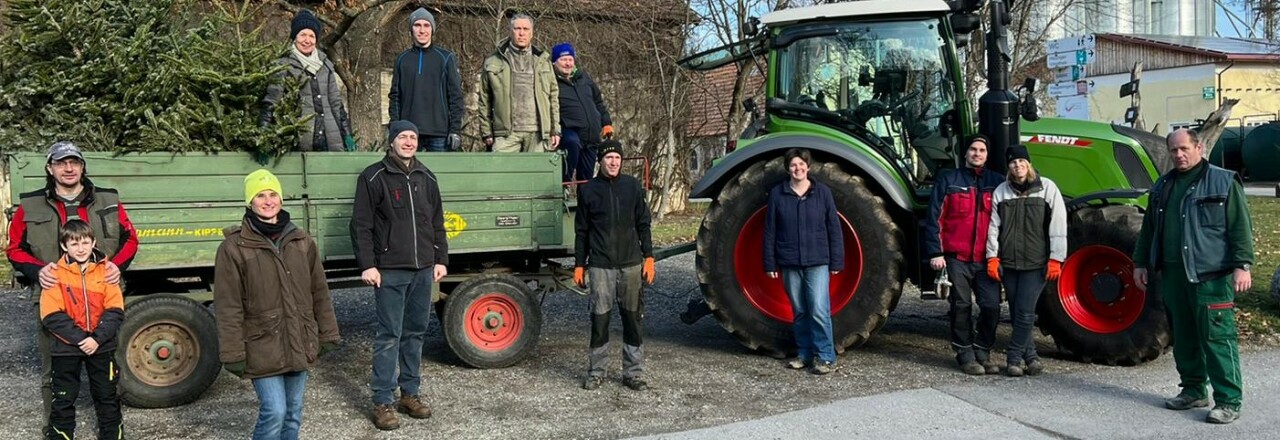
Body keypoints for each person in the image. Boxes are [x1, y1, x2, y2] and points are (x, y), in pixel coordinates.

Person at [6, 141, 138, 433]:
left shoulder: (108, 200)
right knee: (53, 374)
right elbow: (14, 248)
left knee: (105, 375)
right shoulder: (30, 205)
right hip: (53, 298)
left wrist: (117, 264)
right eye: (61, 163)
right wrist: (39, 270)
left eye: (74, 162)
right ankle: (55, 431)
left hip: (100, 296)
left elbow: (131, 239)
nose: (69, 168)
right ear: (50, 168)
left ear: (82, 167)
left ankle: (111, 431)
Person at [1133, 128, 1253, 425]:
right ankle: (1193, 390)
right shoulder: (1163, 185)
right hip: (1174, 274)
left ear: (1199, 147)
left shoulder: (1223, 181)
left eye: (1184, 148)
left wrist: (1243, 265)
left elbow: (1239, 226)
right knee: (1184, 337)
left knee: (1217, 337)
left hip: (1210, 275)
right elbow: (1149, 229)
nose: (1178, 155)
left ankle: (1228, 400)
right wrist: (1140, 263)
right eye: (1173, 150)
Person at [214, 169, 341, 440]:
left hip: (299, 337)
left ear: (281, 199)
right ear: (250, 202)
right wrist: (232, 353)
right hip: (262, 343)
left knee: (293, 412)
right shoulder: (234, 247)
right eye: (260, 195)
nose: (268, 200)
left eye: (273, 194)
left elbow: (319, 291)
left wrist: (328, 333)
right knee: (274, 412)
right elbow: (228, 306)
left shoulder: (301, 241)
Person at [350, 120, 449, 430]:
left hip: (423, 270)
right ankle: (382, 400)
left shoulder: (426, 176)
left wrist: (440, 259)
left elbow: (437, 223)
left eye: (413, 137)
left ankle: (410, 393)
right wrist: (368, 264)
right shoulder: (374, 177)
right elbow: (361, 225)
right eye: (402, 137)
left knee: (415, 333)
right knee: (389, 335)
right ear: (391, 141)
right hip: (390, 271)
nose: (408, 142)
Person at [573, 140, 655, 391]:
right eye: (609, 158)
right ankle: (597, 371)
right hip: (601, 266)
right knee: (600, 320)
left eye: (618, 158)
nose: (614, 162)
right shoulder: (588, 191)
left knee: (633, 319)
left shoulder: (632, 187)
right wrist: (579, 264)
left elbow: (643, 223)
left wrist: (649, 257)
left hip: (630, 264)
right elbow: (582, 231)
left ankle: (634, 373)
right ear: (600, 161)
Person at [923, 135, 1005, 375]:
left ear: (987, 155)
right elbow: (934, 217)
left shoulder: (997, 182)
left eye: (981, 150)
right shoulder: (949, 180)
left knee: (991, 306)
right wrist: (936, 252)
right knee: (961, 305)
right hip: (956, 257)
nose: (977, 154)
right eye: (973, 149)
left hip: (985, 258)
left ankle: (983, 350)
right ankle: (964, 353)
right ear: (966, 153)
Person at [39, 220, 125, 440]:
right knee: (64, 398)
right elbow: (51, 315)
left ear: (94, 242)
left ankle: (113, 436)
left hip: (101, 345)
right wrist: (80, 339)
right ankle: (61, 436)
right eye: (74, 243)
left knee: (107, 396)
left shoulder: (107, 272)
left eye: (85, 242)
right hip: (66, 348)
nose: (81, 248)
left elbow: (115, 310)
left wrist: (96, 339)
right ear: (65, 245)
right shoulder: (55, 275)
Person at [985, 144, 1066, 377]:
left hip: (1036, 262)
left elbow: (1058, 225)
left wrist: (1056, 259)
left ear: (1028, 164)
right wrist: (992, 256)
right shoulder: (1001, 191)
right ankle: (1031, 358)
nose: (1017, 166)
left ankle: (1013, 358)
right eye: (1012, 162)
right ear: (1008, 167)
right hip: (1009, 263)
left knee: (1025, 312)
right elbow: (993, 226)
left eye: (1021, 161)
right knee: (1017, 310)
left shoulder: (1047, 188)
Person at [764, 148, 843, 375]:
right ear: (788, 169)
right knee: (799, 310)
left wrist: (837, 261)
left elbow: (833, 229)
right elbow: (770, 231)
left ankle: (826, 356)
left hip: (818, 260)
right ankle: (805, 353)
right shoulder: (778, 195)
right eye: (793, 165)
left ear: (808, 167)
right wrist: (769, 263)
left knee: (818, 309)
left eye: (801, 164)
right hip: (789, 261)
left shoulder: (823, 193)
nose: (797, 169)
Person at [260, 9, 355, 152]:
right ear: (295, 37)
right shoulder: (282, 65)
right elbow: (271, 103)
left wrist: (347, 134)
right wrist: (263, 138)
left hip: (330, 141)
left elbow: (336, 104)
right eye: (303, 34)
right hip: (299, 141)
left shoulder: (326, 65)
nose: (307, 40)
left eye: (311, 36)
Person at [478, 13, 560, 153]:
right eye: (517, 29)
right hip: (506, 134)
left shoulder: (543, 61)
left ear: (532, 33)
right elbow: (484, 99)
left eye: (526, 29)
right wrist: (486, 131)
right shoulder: (493, 61)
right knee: (500, 173)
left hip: (538, 133)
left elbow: (553, 97)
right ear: (510, 32)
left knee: (536, 174)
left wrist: (555, 130)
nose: (521, 33)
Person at [388, 8, 464, 152]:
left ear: (432, 29)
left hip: (439, 134)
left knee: (439, 174)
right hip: (408, 133)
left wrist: (455, 129)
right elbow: (395, 97)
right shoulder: (402, 60)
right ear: (411, 29)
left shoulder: (446, 58)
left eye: (426, 25)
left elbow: (455, 97)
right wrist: (395, 127)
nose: (422, 30)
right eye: (417, 25)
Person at [551, 42, 613, 182]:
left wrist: (606, 122)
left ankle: (584, 201)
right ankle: (564, 184)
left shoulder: (583, 78)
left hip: (590, 137)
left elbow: (598, 102)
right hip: (568, 130)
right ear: (554, 62)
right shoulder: (551, 81)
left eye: (570, 59)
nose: (568, 63)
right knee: (572, 143)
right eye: (563, 60)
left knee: (586, 181)